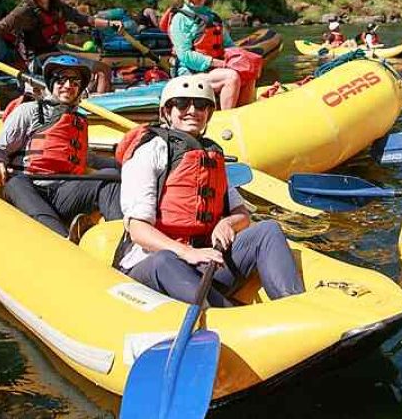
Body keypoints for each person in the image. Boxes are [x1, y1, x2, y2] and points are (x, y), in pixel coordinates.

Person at [113, 75, 305, 307]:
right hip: (155, 264)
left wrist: (227, 224)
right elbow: (138, 230)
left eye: (201, 105)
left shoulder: (211, 156)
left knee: (268, 230)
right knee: (165, 260)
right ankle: (228, 317)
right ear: (167, 112)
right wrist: (185, 252)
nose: (193, 110)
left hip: (205, 261)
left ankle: (293, 306)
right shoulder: (150, 150)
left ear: (209, 113)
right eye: (183, 104)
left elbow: (242, 214)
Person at [0, 55, 123, 240]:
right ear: (51, 82)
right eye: (61, 79)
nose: (68, 85)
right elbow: (0, 148)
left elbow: (88, 159)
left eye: (75, 81)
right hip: (30, 185)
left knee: (111, 178)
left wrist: (123, 164)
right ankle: (62, 240)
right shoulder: (29, 111)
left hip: (64, 190)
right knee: (14, 181)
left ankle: (121, 240)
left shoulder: (78, 120)